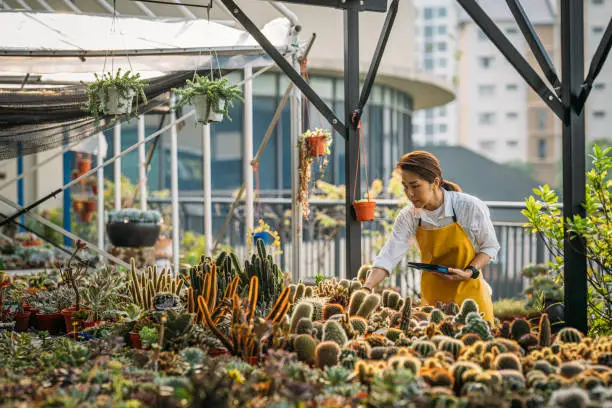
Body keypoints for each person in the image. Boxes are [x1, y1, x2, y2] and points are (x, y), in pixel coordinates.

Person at [362, 151, 499, 324]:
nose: (409, 193)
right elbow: (389, 255)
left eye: (415, 186)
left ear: (434, 182)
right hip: (433, 302)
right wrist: (366, 289)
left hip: (471, 298)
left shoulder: (468, 207)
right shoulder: (409, 216)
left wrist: (468, 272)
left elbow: (490, 247)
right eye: (405, 187)